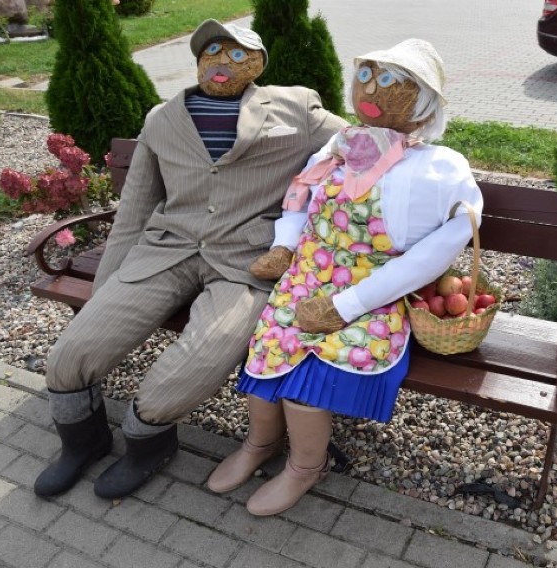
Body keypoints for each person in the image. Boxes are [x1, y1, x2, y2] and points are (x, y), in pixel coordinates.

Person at [33, 19, 348, 499]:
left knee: (189, 369)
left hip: (245, 263)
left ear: (259, 64)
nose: (223, 61)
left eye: (238, 53)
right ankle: (84, 442)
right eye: (212, 50)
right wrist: (104, 295)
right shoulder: (162, 118)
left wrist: (429, 164)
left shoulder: (295, 107)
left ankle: (148, 444)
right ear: (198, 58)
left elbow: (365, 149)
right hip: (166, 250)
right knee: (69, 358)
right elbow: (136, 206)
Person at [205, 39, 484, 516]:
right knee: (269, 347)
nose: (372, 91)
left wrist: (348, 305)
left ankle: (304, 466)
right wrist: (284, 245)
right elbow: (300, 198)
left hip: (375, 290)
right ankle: (259, 443)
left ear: (422, 101)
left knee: (313, 376)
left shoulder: (440, 170)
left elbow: (433, 255)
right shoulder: (340, 147)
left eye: (392, 82)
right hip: (308, 275)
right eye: (367, 76)